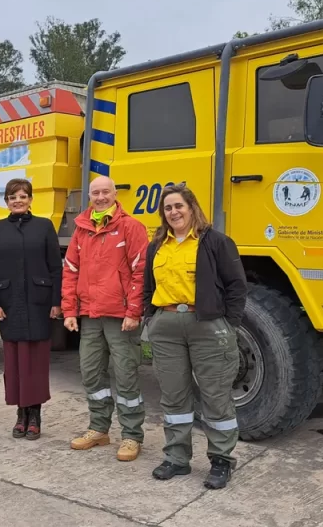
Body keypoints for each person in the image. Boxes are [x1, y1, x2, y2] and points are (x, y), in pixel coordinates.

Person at [141, 183, 247, 489]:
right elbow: (149, 286)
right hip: (167, 325)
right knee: (174, 396)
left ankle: (221, 460)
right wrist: (152, 317)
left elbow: (237, 286)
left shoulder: (215, 242)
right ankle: (176, 458)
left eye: (179, 206)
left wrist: (228, 325)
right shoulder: (157, 245)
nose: (174, 212)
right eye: (168, 208)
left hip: (207, 326)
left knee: (215, 397)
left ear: (192, 207)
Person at [61, 175, 149, 462]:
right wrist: (70, 310)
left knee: (125, 377)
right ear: (89, 196)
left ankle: (132, 435)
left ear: (115, 193)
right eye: (95, 193)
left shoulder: (130, 227)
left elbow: (141, 272)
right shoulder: (82, 229)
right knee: (91, 373)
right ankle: (99, 428)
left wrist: (133, 311)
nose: (100, 197)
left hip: (120, 317)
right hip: (90, 315)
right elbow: (71, 271)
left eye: (105, 192)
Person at [0, 178, 62, 440]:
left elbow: (55, 267)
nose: (18, 200)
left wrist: (56, 302)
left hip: (39, 304)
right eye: (12, 196)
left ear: (30, 199)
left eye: (22, 196)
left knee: (36, 362)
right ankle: (20, 414)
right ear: (6, 201)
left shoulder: (44, 226)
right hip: (8, 305)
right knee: (15, 362)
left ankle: (35, 414)